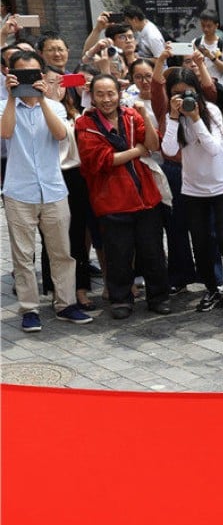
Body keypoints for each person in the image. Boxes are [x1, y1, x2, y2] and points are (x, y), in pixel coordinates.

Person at [2, 51, 93, 330]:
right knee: (23, 255)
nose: (28, 79)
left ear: (41, 76)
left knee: (62, 252)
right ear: (10, 75)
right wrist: (13, 96)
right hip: (19, 191)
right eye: (21, 73)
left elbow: (61, 135)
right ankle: (29, 309)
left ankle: (65, 304)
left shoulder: (55, 107)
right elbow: (5, 133)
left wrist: (41, 99)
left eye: (33, 74)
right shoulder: (5, 105)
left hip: (54, 189)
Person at [162, 67, 223, 323]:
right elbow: (168, 149)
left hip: (222, 185)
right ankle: (213, 290)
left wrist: (195, 117)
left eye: (187, 92)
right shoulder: (173, 117)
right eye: (176, 94)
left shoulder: (210, 111)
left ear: (197, 91)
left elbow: (213, 148)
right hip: (193, 188)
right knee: (200, 243)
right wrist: (172, 115)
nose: (182, 98)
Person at [75, 73, 169, 319]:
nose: (106, 99)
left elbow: (153, 144)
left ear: (119, 94)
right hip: (111, 200)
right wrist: (137, 150)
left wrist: (146, 116)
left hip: (145, 196)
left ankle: (158, 296)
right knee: (118, 254)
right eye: (100, 94)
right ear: (92, 97)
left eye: (111, 94)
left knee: (153, 252)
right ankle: (120, 299)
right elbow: (103, 161)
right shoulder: (85, 124)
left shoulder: (131, 115)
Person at [193, 10, 223, 89]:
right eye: (203, 25)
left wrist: (211, 57)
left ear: (216, 25)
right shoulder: (195, 43)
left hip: (219, 87)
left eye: (209, 26)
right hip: (201, 87)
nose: (205, 29)